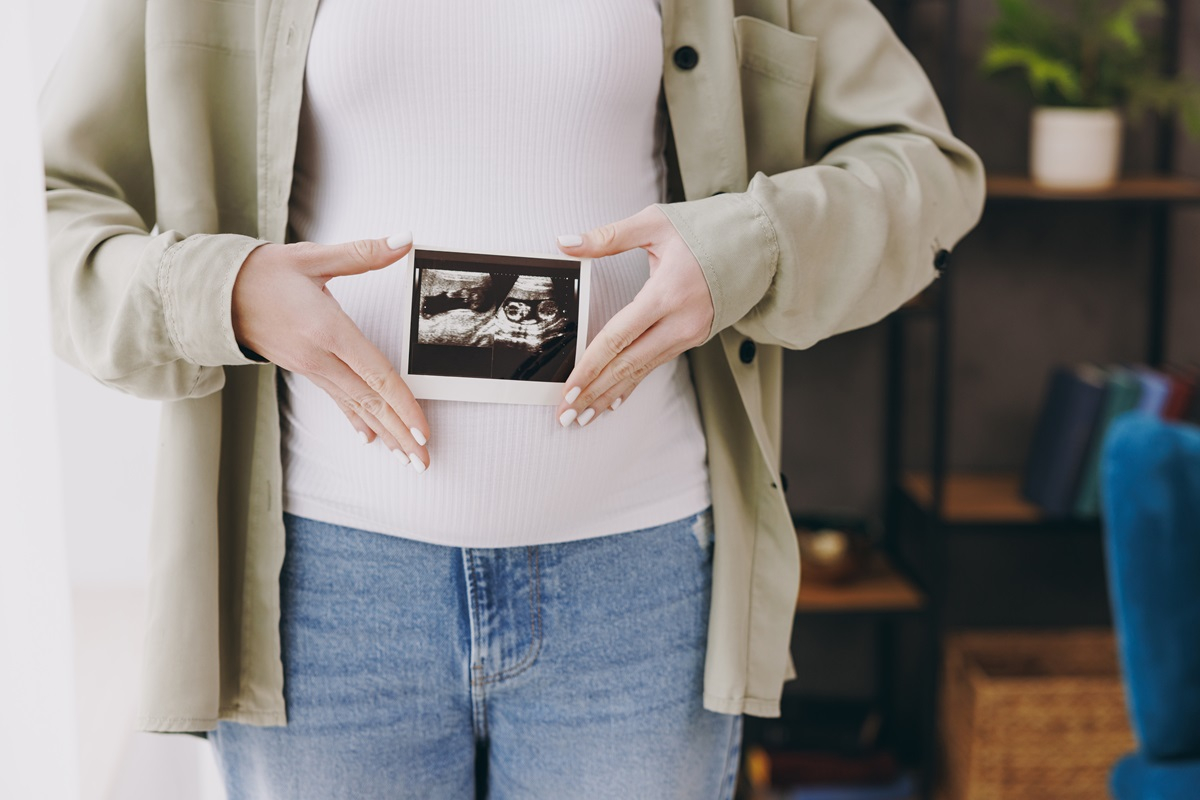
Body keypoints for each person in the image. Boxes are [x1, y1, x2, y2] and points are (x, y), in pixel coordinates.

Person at [40, 0, 986, 797]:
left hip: (640, 591)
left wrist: (749, 247)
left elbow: (926, 170)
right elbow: (44, 201)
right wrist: (224, 292)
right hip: (323, 604)